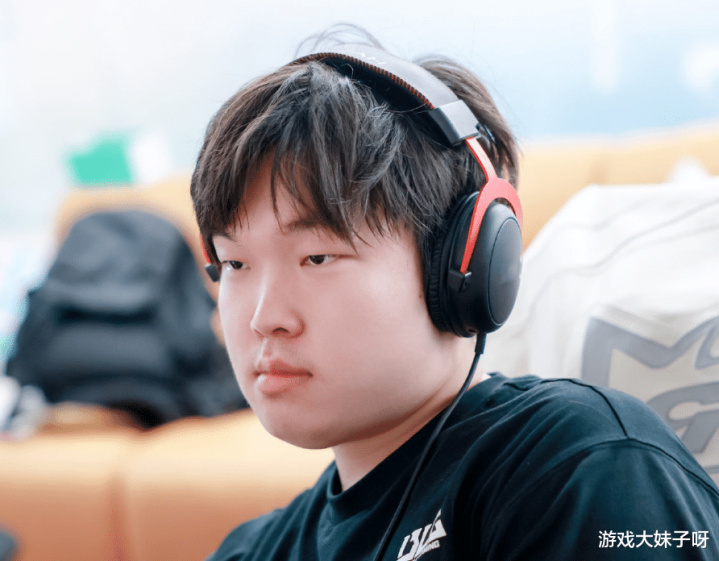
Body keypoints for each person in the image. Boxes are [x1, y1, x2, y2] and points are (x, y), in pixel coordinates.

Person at [191, 27, 719, 561]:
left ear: (462, 263)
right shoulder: (250, 551)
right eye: (235, 263)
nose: (264, 318)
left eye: (318, 258)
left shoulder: (581, 468)